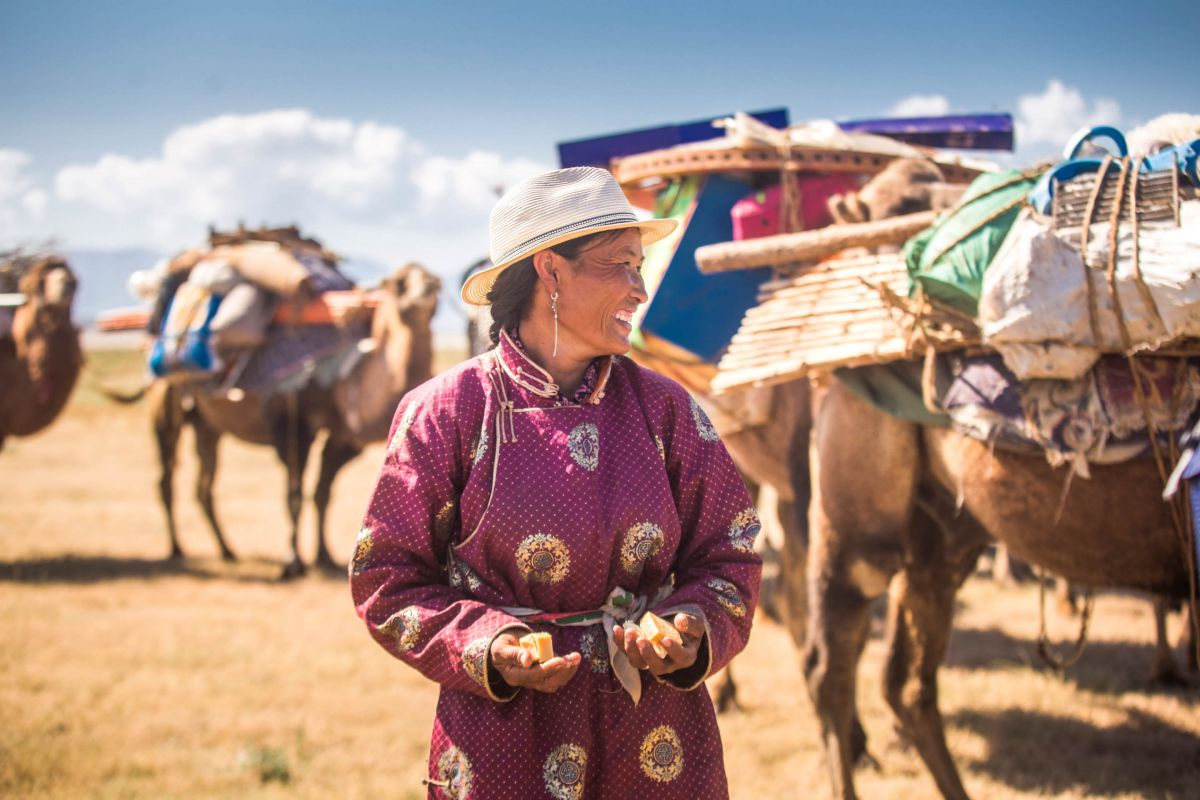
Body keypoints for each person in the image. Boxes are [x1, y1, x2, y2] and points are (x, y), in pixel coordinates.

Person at [350, 166, 762, 799]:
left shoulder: (665, 410)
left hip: (657, 738)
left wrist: (689, 628)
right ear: (551, 272)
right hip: (505, 741)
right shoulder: (448, 412)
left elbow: (729, 553)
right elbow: (388, 578)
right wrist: (488, 646)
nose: (640, 287)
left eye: (639, 265)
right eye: (621, 265)